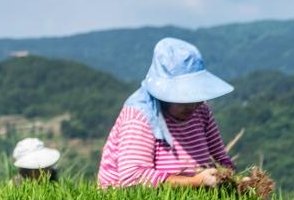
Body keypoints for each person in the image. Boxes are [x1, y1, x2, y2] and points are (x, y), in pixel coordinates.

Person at [97, 37, 235, 189]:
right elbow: (133, 178)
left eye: (196, 97)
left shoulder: (201, 111)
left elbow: (220, 158)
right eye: (184, 98)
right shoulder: (140, 116)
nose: (193, 105)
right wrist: (195, 182)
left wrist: (234, 180)